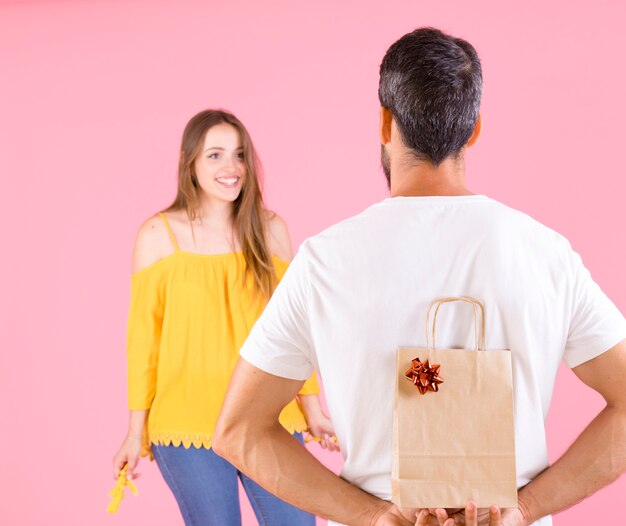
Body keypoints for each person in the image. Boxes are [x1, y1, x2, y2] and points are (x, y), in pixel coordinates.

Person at [212, 28, 626, 526]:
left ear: (385, 123)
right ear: (473, 129)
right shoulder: (544, 253)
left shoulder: (325, 261)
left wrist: (372, 515)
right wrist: (527, 507)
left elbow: (238, 432)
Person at [112, 109, 338, 526]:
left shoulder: (270, 231)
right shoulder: (156, 236)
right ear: (189, 163)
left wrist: (313, 409)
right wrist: (134, 430)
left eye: (238, 155)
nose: (231, 168)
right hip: (185, 423)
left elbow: (294, 330)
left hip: (266, 417)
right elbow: (143, 342)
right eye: (214, 155)